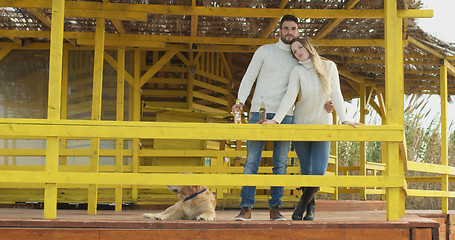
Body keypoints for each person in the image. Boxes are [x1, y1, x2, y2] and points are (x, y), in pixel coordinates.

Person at [232, 15, 333, 221]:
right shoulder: (265, 51)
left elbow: (318, 81)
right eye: (286, 28)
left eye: (293, 29)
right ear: (280, 30)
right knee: (252, 161)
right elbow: (249, 76)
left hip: (285, 115)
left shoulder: (300, 58)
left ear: (298, 31)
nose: (289, 32)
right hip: (258, 112)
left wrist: (328, 101)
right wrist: (240, 100)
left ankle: (275, 207)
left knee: (280, 164)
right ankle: (246, 207)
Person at [263, 37, 362, 221]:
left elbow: (337, 94)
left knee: (319, 172)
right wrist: (276, 120)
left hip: (323, 126)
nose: (298, 52)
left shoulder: (329, 66)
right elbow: (289, 97)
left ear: (308, 47)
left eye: (300, 47)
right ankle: (312, 209)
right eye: (294, 51)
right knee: (306, 172)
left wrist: (344, 119)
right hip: (301, 125)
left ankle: (301, 207)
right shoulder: (297, 71)